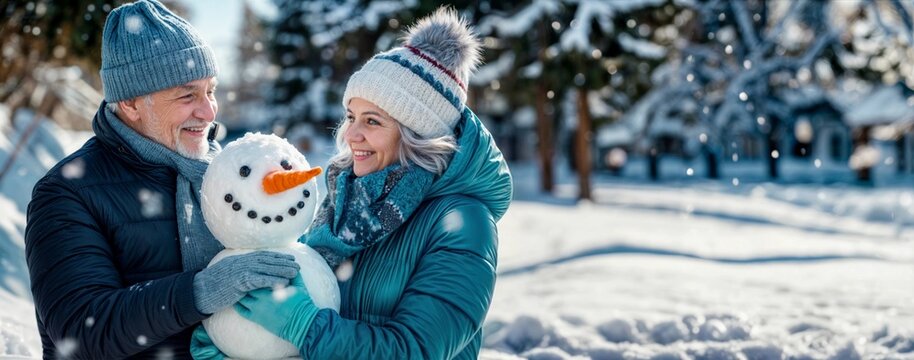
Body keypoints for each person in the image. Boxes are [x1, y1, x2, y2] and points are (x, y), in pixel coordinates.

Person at [191, 7, 513, 359]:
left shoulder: (464, 224)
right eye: (351, 116)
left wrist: (305, 326)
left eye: (372, 121)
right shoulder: (344, 204)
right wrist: (238, 343)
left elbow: (416, 350)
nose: (352, 135)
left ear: (416, 135)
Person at [24, 1, 300, 358]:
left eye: (210, 90)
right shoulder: (68, 193)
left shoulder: (226, 173)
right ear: (131, 105)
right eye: (187, 95)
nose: (209, 110)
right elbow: (79, 333)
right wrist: (199, 292)